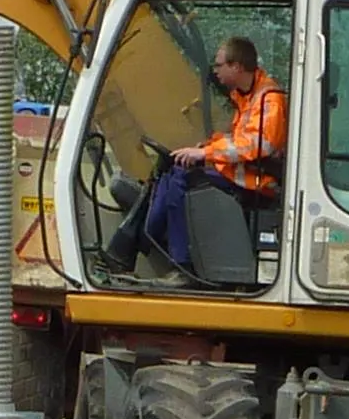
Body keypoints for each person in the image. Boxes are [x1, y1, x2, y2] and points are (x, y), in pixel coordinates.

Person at [107, 36, 286, 276]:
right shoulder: (246, 96)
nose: (215, 71)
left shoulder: (269, 99)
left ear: (237, 67)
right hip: (243, 172)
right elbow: (239, 138)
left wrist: (204, 153)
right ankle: (147, 237)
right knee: (171, 171)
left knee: (182, 179)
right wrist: (208, 146)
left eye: (219, 65)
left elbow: (256, 145)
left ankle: (180, 265)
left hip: (257, 181)